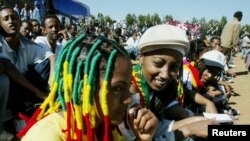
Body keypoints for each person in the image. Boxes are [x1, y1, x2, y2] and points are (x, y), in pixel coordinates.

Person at [19, 35, 159, 141]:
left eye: (127, 86)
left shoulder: (106, 129)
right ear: (84, 88)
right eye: (117, 88)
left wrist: (143, 139)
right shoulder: (48, 136)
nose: (129, 99)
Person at [131, 24, 217, 140]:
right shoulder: (128, 92)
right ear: (141, 57)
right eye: (158, 63)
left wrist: (206, 108)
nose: (165, 75)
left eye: (174, 67)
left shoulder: (163, 84)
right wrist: (190, 128)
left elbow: (159, 127)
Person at [0, 6, 52, 140]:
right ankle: (11, 120)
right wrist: (37, 91)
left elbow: (51, 57)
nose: (11, 21)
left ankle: (38, 108)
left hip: (20, 85)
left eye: (14, 18)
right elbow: (6, 66)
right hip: (8, 87)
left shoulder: (26, 43)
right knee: (4, 79)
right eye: (6, 19)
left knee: (44, 64)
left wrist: (52, 84)